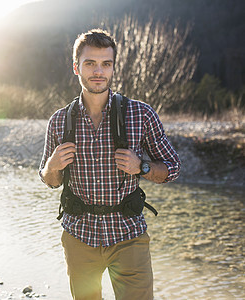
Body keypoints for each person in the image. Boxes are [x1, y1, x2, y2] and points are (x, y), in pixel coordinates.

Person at [39, 28, 181, 300]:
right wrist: (52, 165)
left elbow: (172, 168)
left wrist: (143, 167)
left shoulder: (141, 114)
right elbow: (49, 180)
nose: (98, 71)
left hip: (128, 235)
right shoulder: (59, 121)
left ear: (114, 68)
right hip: (78, 236)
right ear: (76, 68)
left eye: (106, 64)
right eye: (90, 63)